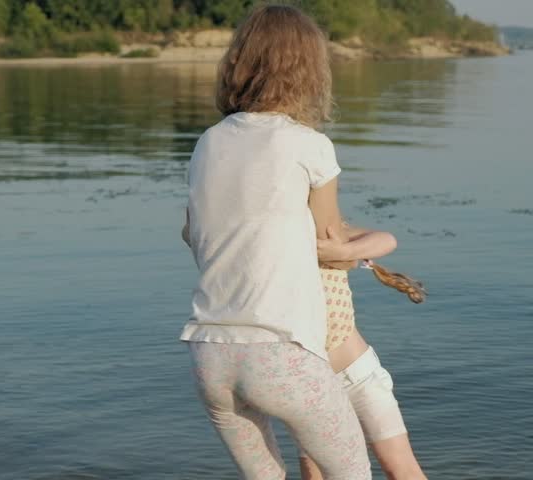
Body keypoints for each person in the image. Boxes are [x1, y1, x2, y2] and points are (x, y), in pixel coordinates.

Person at [180, 5, 371, 479]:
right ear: (310, 70)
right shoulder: (309, 145)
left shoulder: (208, 142)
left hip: (211, 352)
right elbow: (329, 248)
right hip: (280, 352)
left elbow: (192, 234)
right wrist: (367, 246)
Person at [300, 224, 429, 480]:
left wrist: (344, 249)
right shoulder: (266, 240)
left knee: (400, 468)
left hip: (358, 376)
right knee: (315, 474)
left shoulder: (319, 231)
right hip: (308, 384)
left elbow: (386, 239)